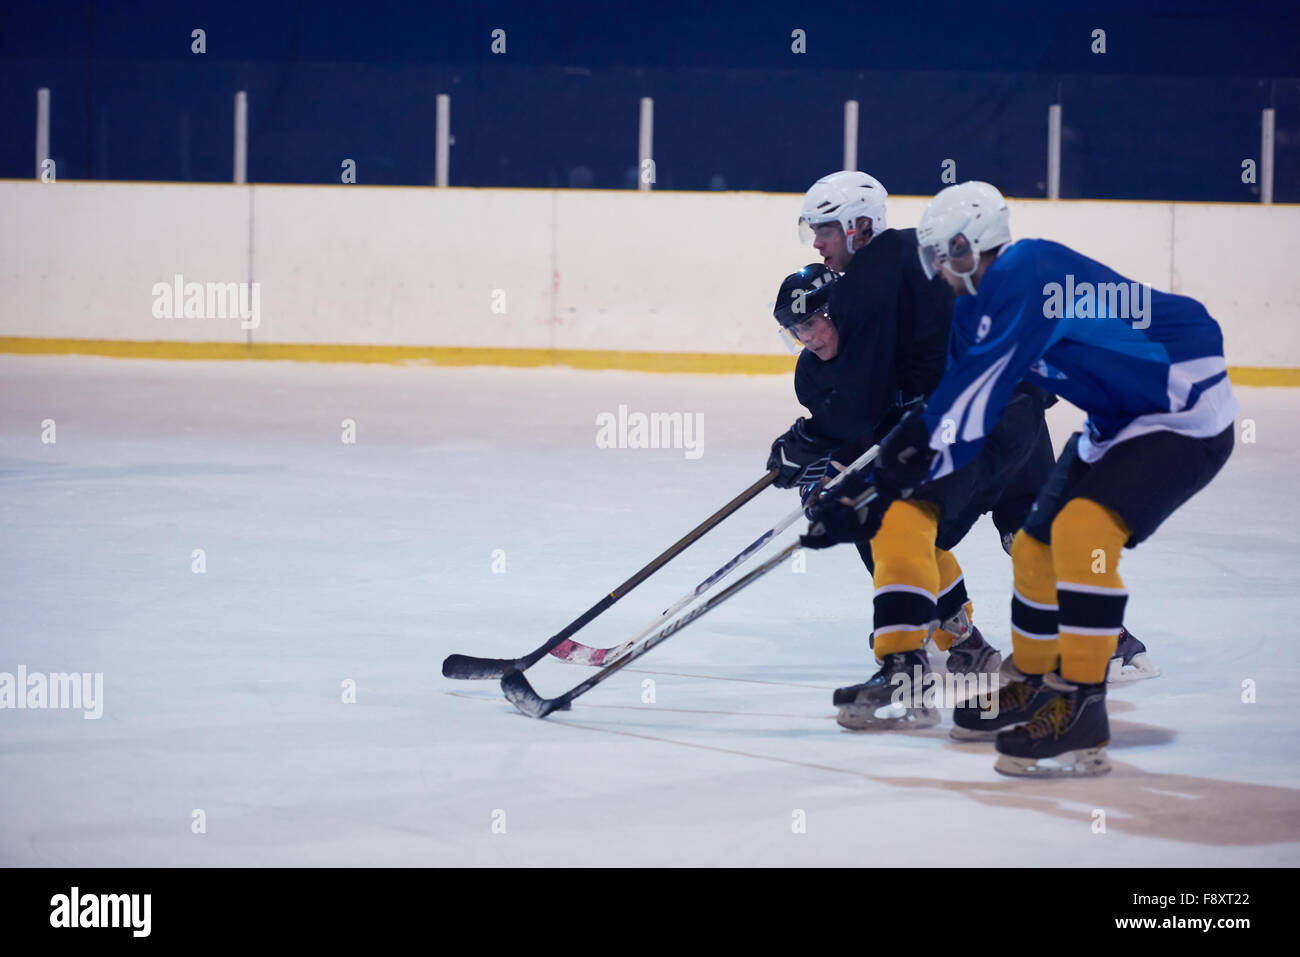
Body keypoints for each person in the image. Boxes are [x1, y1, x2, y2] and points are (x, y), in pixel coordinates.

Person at [804, 181, 1236, 775]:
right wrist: (871, 489)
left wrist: (880, 480)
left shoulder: (1028, 272)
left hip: (1184, 399)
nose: (935, 270)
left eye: (942, 256)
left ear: (972, 245)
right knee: (1036, 543)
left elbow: (967, 406)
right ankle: (1034, 681)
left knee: (1081, 532)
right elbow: (954, 416)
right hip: (1117, 418)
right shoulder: (973, 309)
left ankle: (1081, 704)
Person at [769, 171, 1060, 730]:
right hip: (1003, 410)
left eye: (824, 229)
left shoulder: (870, 279)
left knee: (907, 518)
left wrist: (807, 444)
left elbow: (860, 400)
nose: (817, 242)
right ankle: (1065, 651)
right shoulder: (903, 259)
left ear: (857, 227)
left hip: (983, 416)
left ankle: (931, 674)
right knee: (991, 525)